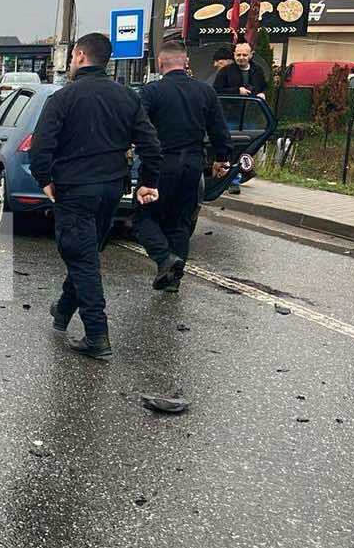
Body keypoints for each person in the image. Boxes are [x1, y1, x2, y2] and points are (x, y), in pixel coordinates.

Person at [29, 33, 162, 360]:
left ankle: (97, 335)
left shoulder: (64, 97)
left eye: (73, 56)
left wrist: (44, 180)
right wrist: (148, 182)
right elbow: (151, 145)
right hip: (111, 189)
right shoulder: (127, 97)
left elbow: (41, 146)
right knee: (85, 252)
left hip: (75, 189)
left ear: (79, 56)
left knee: (82, 258)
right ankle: (63, 310)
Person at [132, 41, 232, 292]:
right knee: (180, 222)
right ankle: (173, 280)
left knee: (144, 218)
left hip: (160, 166)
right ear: (186, 62)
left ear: (160, 63)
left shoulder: (151, 92)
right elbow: (219, 130)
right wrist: (222, 159)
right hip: (192, 166)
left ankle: (165, 259)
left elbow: (138, 126)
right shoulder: (205, 92)